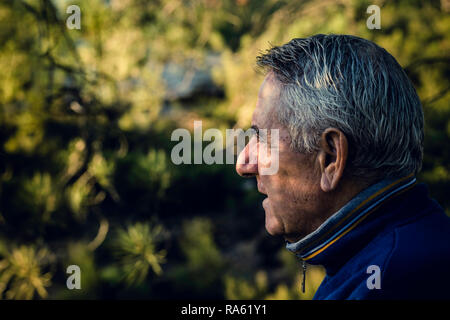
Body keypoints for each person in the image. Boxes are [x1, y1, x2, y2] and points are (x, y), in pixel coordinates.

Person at [235, 34, 450, 299]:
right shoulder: (400, 250)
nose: (244, 164)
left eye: (263, 138)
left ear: (331, 158)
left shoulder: (388, 283)